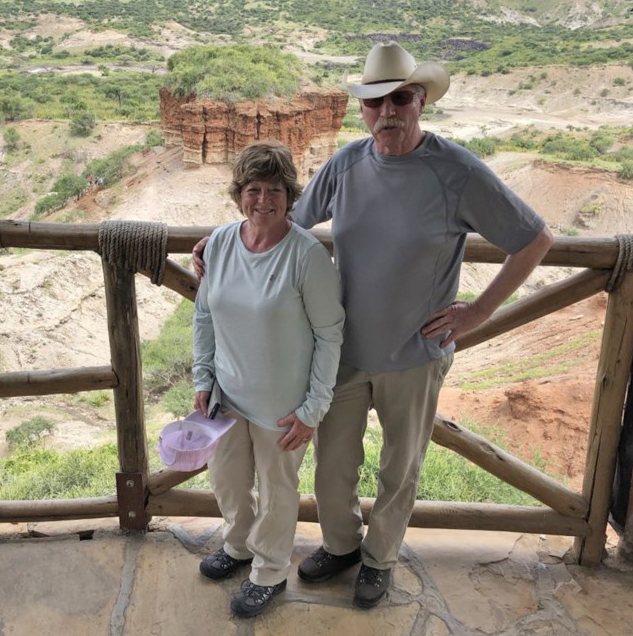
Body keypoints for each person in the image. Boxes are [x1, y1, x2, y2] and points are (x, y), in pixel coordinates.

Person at [193, 41, 553, 609]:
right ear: (363, 109)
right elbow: (280, 221)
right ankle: (341, 545)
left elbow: (535, 239)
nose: (387, 112)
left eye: (400, 99)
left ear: (420, 102)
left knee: (398, 468)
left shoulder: (456, 171)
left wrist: (479, 312)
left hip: (416, 352)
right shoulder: (347, 164)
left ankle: (379, 559)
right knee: (334, 468)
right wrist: (220, 245)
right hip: (344, 353)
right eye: (374, 101)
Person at [192, 140, 344, 618]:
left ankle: (270, 571)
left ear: (290, 194)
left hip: (284, 405)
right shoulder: (219, 243)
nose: (263, 200)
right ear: (239, 193)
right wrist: (203, 376)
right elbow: (204, 317)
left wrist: (313, 408)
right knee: (229, 481)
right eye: (253, 189)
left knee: (277, 491)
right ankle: (238, 546)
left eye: (274, 189)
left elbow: (330, 335)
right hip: (228, 395)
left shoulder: (306, 256)